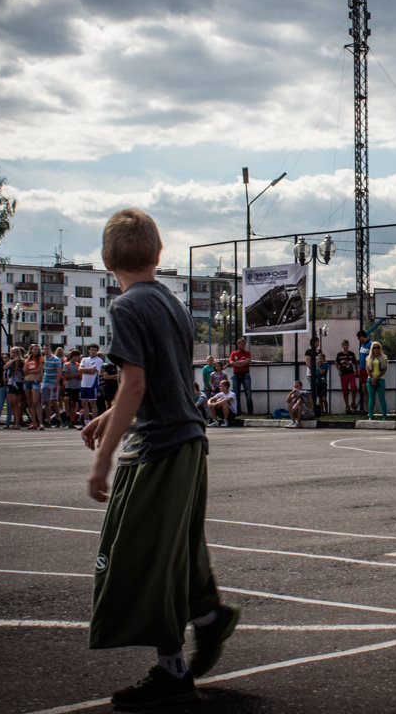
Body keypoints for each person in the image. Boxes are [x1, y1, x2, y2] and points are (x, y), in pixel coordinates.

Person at [83, 208, 237, 709]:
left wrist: (103, 460)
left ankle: (172, 671)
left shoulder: (127, 307)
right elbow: (161, 381)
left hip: (160, 448)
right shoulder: (171, 302)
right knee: (178, 548)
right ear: (159, 252)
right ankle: (209, 618)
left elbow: (136, 383)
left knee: (147, 557)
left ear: (108, 261)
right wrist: (109, 418)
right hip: (190, 441)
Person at [79, 344, 105, 427]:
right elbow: (80, 369)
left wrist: (85, 370)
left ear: (97, 351)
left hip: (92, 384)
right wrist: (88, 369)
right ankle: (86, 423)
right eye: (91, 350)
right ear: (89, 350)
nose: (93, 351)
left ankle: (94, 424)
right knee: (84, 403)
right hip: (84, 384)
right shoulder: (84, 359)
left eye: (95, 350)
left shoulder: (99, 360)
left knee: (92, 403)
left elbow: (93, 371)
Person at [228, 338, 253, 415]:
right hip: (236, 374)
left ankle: (250, 412)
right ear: (238, 344)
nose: (243, 346)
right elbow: (232, 363)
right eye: (241, 344)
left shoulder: (247, 353)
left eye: (244, 344)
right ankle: (237, 411)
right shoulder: (234, 353)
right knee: (236, 394)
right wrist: (242, 363)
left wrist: (238, 363)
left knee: (248, 393)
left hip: (245, 374)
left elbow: (248, 361)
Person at [24, 343, 45, 430]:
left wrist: (30, 372)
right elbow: (24, 370)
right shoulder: (28, 359)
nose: (35, 351)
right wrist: (28, 359)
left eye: (37, 349)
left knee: (36, 402)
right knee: (30, 403)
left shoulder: (40, 359)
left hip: (35, 381)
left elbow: (38, 370)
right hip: (27, 381)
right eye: (34, 349)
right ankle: (33, 422)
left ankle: (40, 422)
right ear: (31, 350)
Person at [42, 345, 64, 426]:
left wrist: (56, 384)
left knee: (54, 401)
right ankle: (48, 419)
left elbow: (59, 373)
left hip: (53, 382)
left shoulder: (56, 359)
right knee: (46, 402)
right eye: (45, 349)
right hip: (45, 381)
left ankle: (58, 418)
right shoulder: (43, 359)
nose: (46, 350)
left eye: (48, 349)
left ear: (51, 350)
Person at [5, 347, 26, 430]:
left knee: (16, 403)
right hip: (11, 383)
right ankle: (14, 421)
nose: (13, 354)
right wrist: (13, 360)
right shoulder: (11, 362)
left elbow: (25, 371)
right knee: (11, 403)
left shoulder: (22, 362)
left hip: (18, 383)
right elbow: (5, 367)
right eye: (12, 352)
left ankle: (17, 422)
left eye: (15, 352)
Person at [366, 341, 388, 420]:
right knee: (371, 398)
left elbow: (384, 369)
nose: (376, 349)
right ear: (372, 349)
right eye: (374, 347)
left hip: (380, 379)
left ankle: (384, 415)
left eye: (378, 347)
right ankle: (370, 415)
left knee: (381, 398)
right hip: (370, 379)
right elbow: (368, 369)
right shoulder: (368, 358)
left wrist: (377, 377)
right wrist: (372, 378)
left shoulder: (384, 357)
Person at [336, 339, 359, 414]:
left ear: (348, 345)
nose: (345, 346)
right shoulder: (339, 355)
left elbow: (355, 363)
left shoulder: (351, 354)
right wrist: (339, 371)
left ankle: (353, 402)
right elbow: (336, 363)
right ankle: (347, 406)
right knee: (345, 390)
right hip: (343, 374)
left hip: (351, 373)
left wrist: (356, 371)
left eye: (346, 345)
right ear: (342, 346)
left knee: (353, 387)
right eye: (344, 345)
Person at [64, 349, 83, 426]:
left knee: (74, 403)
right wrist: (75, 375)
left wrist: (76, 376)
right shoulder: (67, 365)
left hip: (77, 386)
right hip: (69, 386)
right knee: (67, 400)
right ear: (73, 356)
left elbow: (81, 376)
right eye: (77, 356)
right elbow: (66, 376)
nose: (78, 358)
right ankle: (67, 416)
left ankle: (72, 420)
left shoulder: (79, 365)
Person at [356, 330, 372, 414]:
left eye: (359, 338)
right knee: (363, 390)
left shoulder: (370, 344)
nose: (359, 340)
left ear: (362, 336)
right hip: (361, 368)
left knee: (368, 389)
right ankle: (367, 409)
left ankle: (370, 408)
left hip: (367, 368)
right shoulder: (362, 345)